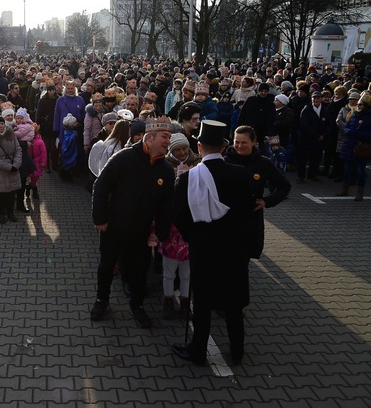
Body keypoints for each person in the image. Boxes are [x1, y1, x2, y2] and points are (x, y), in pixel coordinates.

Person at [171, 120, 259, 366]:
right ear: (223, 148)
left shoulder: (188, 179)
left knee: (203, 300)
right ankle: (238, 349)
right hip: (233, 247)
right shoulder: (239, 173)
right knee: (233, 299)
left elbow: (178, 214)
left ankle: (198, 350)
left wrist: (193, 236)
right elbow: (246, 210)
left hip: (203, 246)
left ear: (198, 147)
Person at [91, 117, 175, 329]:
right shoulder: (124, 158)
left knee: (140, 270)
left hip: (142, 231)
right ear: (149, 137)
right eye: (165, 137)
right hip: (113, 227)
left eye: (170, 137)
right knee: (107, 266)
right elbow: (100, 187)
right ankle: (102, 300)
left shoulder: (165, 169)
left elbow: (166, 205)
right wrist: (100, 220)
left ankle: (137, 305)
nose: (168, 142)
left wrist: (160, 233)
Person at [224, 125, 291, 259]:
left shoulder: (263, 163)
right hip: (227, 219)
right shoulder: (225, 161)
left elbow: (284, 186)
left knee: (245, 259)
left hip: (251, 219)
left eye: (244, 142)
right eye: (237, 142)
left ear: (254, 142)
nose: (239, 146)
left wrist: (267, 201)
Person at [160, 132, 200, 318]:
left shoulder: (198, 164)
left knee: (187, 272)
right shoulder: (166, 165)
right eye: (178, 149)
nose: (183, 152)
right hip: (171, 229)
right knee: (169, 271)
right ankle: (168, 299)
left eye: (185, 148)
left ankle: (185, 300)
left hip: (190, 229)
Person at [338, 93, 371, 201]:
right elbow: (347, 126)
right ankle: (344, 189)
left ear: (366, 105)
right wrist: (348, 131)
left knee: (360, 171)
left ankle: (360, 193)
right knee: (347, 169)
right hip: (350, 145)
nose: (358, 106)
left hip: (362, 147)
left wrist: (359, 134)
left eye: (360, 104)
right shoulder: (355, 114)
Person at [0, 115, 23, 224]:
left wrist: (16, 163)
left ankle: (11, 212)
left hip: (13, 168)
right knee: (0, 195)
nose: (1, 126)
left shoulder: (11, 134)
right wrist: (8, 167)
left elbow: (18, 149)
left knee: (11, 194)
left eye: (2, 123)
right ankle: (1, 213)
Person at [296, 91, 332, 183]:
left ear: (321, 99)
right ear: (311, 99)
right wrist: (316, 135)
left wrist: (323, 135)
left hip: (319, 140)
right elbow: (304, 125)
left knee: (316, 159)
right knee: (303, 159)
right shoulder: (306, 110)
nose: (316, 100)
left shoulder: (325, 111)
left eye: (318, 98)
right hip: (307, 139)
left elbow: (329, 125)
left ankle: (312, 175)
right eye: (314, 98)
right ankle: (301, 176)